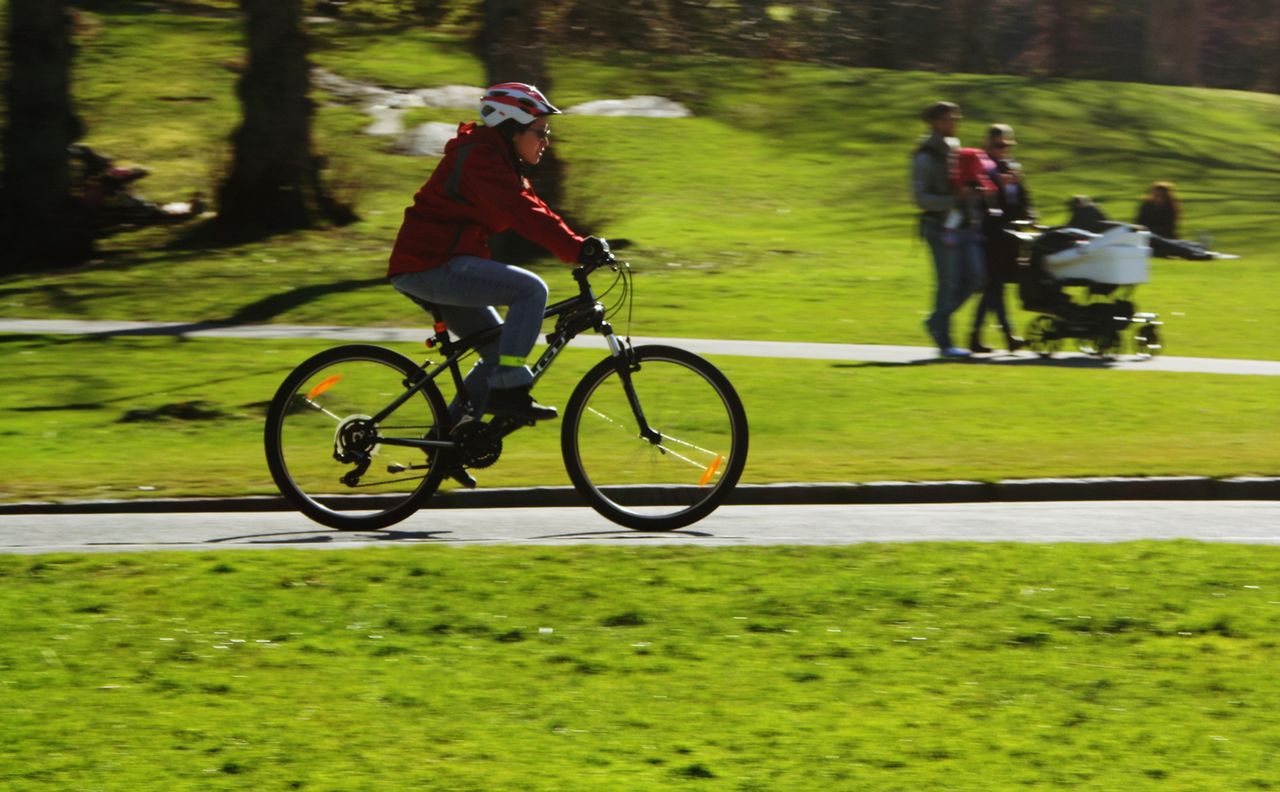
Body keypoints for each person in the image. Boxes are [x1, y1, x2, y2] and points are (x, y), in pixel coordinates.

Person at [387, 83, 615, 478]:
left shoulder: (497, 161)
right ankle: (511, 389)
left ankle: (450, 443)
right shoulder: (480, 159)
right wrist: (575, 250)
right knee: (531, 290)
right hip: (431, 264)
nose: (546, 141)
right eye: (540, 131)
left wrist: (582, 245)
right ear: (512, 128)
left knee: (495, 352)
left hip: (441, 264)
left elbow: (534, 206)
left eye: (548, 132)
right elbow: (522, 213)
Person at [912, 101, 984, 358]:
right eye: (950, 119)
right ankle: (945, 343)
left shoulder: (956, 150)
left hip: (964, 225)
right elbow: (920, 199)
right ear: (935, 122)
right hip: (940, 228)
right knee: (948, 283)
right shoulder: (925, 156)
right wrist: (955, 199)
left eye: (956, 118)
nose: (956, 122)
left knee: (976, 277)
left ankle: (936, 320)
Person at [970, 124, 1034, 353]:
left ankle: (982, 336)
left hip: (1011, 236)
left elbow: (1023, 198)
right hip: (990, 235)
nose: (1003, 150)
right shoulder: (983, 167)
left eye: (1007, 146)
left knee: (995, 288)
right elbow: (981, 198)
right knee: (994, 287)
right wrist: (1000, 184)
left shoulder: (1012, 167)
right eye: (998, 145)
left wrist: (1030, 217)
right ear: (987, 143)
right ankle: (1006, 335)